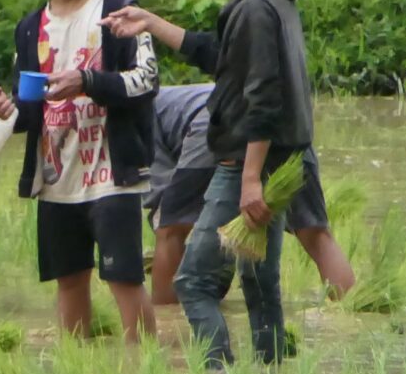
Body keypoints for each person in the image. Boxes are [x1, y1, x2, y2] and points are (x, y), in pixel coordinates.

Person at [103, 0, 313, 367]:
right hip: (277, 160)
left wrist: (249, 177)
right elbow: (222, 58)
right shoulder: (274, 0)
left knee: (193, 281)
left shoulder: (256, 10)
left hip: (245, 162)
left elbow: (263, 97)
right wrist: (151, 22)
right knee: (259, 281)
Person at [0, 0, 158, 346]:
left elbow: (147, 81)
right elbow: (30, 110)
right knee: (69, 280)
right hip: (57, 177)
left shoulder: (120, 10)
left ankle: (146, 367)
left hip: (112, 172)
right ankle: (76, 370)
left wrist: (87, 81)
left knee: (124, 277)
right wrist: (6, 110)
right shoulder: (31, 29)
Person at [147, 82, 355, 306]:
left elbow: (164, 205)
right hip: (286, 120)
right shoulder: (159, 97)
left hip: (218, 124)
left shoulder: (137, 117)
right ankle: (352, 308)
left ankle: (165, 320)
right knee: (315, 234)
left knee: (170, 230)